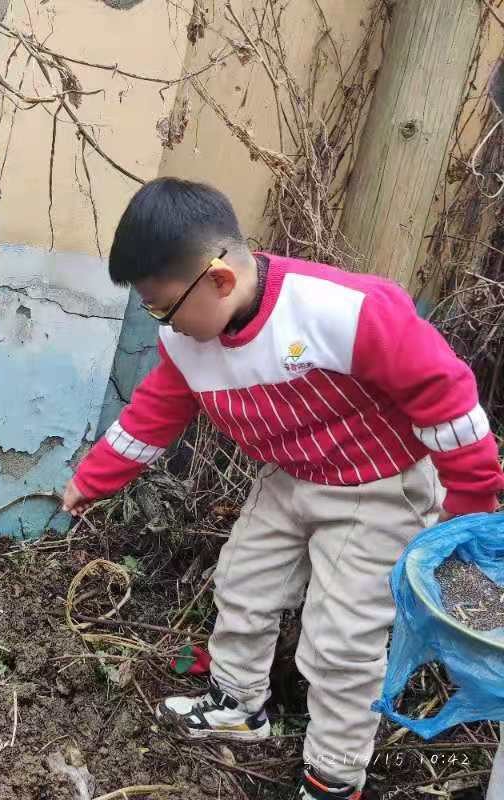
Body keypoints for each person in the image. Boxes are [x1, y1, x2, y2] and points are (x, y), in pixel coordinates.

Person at [62, 178, 504, 800]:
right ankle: (239, 704)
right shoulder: (188, 343)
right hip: (288, 478)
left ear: (219, 280)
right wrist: (92, 480)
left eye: (162, 308)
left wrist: (470, 506)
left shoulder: (343, 311)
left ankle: (334, 775)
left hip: (378, 488)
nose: (162, 323)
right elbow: (150, 417)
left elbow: (447, 402)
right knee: (243, 583)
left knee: (342, 638)